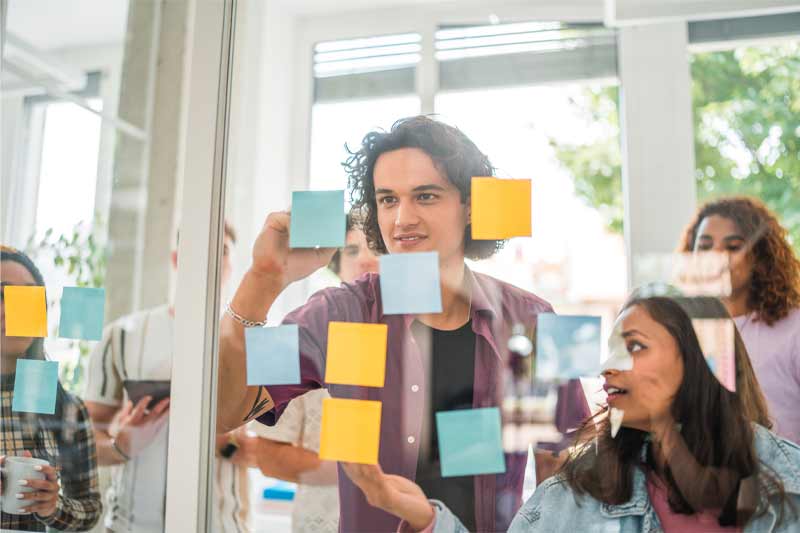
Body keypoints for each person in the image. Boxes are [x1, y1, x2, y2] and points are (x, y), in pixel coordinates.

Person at [216, 116, 590, 531]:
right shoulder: (339, 313)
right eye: (388, 200)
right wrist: (263, 279)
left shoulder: (533, 319)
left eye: (425, 197)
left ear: (470, 206)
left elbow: (566, 473)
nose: (402, 219)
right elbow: (224, 411)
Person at [343, 294, 800, 532]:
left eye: (634, 347)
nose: (606, 367)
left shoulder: (790, 483)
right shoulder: (578, 494)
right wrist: (426, 518)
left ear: (704, 360)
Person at [82, 222, 255, 532]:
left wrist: (227, 443)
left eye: (222, 251)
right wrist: (121, 445)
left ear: (232, 265)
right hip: (129, 527)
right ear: (177, 259)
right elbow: (83, 438)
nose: (210, 258)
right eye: (199, 248)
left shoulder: (250, 343)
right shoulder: (121, 336)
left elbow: (274, 453)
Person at [237, 212, 379, 533]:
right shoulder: (301, 330)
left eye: (377, 248)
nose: (366, 259)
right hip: (322, 521)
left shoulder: (430, 334)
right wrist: (347, 470)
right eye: (352, 250)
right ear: (336, 262)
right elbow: (266, 454)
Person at [681, 196, 800, 443]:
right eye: (704, 246)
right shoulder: (681, 330)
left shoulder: (794, 328)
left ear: (759, 256)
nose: (716, 256)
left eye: (733, 246)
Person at [0, 246, 102, 531]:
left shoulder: (67, 407)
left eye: (28, 298)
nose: (17, 308)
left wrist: (52, 507)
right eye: (2, 295)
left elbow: (90, 508)